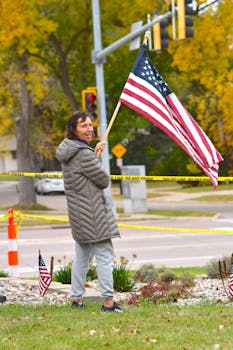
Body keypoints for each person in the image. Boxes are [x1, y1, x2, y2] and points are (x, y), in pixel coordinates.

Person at [56, 111, 124, 313]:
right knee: (104, 255)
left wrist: (94, 155)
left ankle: (76, 299)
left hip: (79, 214)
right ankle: (109, 304)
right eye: (83, 125)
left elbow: (83, 175)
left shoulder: (70, 152)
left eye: (90, 124)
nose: (89, 128)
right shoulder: (83, 154)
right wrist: (95, 158)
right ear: (74, 129)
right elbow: (103, 180)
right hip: (93, 214)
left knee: (82, 257)